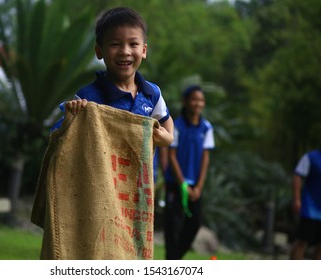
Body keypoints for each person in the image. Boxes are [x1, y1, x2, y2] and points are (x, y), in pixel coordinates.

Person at [51, 7, 174, 147]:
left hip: (140, 168)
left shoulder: (152, 93)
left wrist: (168, 138)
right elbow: (58, 139)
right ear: (99, 51)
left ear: (143, 51)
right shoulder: (86, 98)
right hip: (100, 168)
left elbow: (165, 119)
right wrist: (72, 115)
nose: (125, 51)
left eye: (133, 44)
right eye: (115, 44)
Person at [164, 85, 215, 259]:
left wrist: (199, 187)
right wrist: (182, 184)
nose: (198, 103)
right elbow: (171, 156)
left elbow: (205, 158)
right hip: (175, 183)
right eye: (194, 99)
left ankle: (176, 259)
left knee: (195, 223)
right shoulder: (176, 125)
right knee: (173, 226)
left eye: (201, 100)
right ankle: (171, 262)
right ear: (185, 102)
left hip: (195, 186)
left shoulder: (206, 128)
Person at [289, 149, 321, 260]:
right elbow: (297, 176)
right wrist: (297, 199)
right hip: (310, 209)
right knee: (302, 241)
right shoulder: (310, 157)